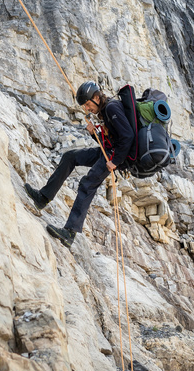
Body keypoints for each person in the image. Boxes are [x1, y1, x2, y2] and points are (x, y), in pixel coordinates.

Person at [25, 81, 136, 248]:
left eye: (88, 104)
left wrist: (115, 161)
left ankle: (70, 232)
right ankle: (43, 197)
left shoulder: (112, 108)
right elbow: (109, 140)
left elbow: (127, 136)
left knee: (87, 184)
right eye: (85, 105)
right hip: (109, 152)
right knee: (70, 157)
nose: (87, 108)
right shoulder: (105, 111)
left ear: (97, 97)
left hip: (113, 156)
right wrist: (94, 134)